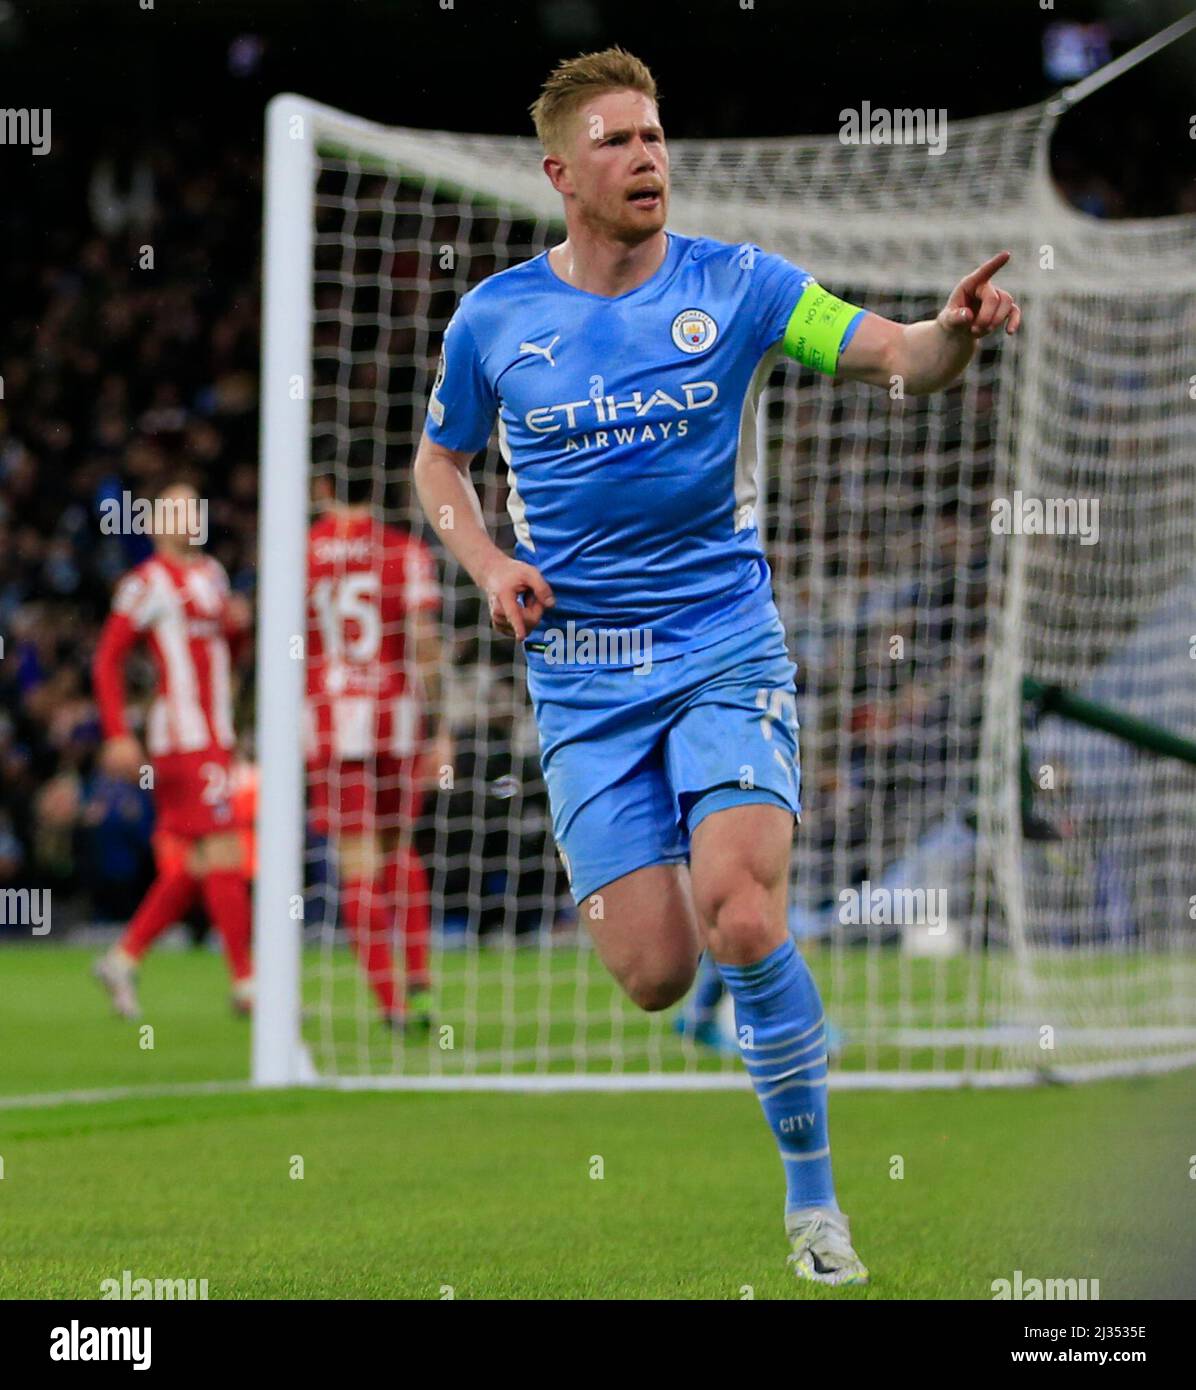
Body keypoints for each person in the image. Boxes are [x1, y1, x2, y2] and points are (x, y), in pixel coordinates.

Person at [413, 47, 1020, 1285]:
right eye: (617, 141)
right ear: (559, 170)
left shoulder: (737, 286)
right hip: (580, 678)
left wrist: (951, 334)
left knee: (742, 910)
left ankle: (813, 1207)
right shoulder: (494, 320)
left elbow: (890, 353)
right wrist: (483, 563)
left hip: (718, 649)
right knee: (650, 970)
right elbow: (440, 466)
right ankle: (736, 1006)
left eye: (653, 135)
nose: (646, 157)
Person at [91, 481, 254, 1018]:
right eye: (178, 511)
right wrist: (117, 732)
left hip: (216, 732)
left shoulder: (213, 576)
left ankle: (124, 956)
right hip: (181, 739)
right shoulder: (145, 584)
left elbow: (226, 654)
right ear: (157, 523)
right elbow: (107, 659)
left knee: (202, 861)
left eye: (194, 509)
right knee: (226, 849)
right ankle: (247, 982)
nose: (189, 520)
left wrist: (237, 631)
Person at [306, 471, 447, 1030]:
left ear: (322, 487)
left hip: (332, 721)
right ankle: (418, 976)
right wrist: (439, 729)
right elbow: (425, 644)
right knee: (398, 846)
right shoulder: (406, 552)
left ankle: (389, 1004)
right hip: (398, 717)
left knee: (357, 863)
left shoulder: (301, 552)